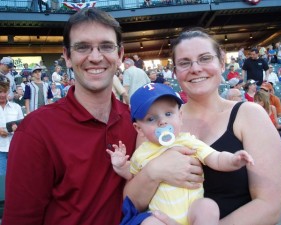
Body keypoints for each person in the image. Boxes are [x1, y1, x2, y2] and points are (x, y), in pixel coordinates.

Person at [124, 27, 281, 225]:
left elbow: (269, 207)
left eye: (205, 58)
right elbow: (132, 203)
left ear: (222, 62)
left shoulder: (250, 115)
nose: (196, 68)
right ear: (175, 73)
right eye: (184, 63)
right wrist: (154, 171)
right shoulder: (153, 125)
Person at [2, 8, 137, 225]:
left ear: (120, 55)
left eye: (106, 46)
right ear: (66, 56)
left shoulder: (136, 122)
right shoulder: (37, 130)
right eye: (83, 47)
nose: (95, 57)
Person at [108, 83, 254, 225]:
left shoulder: (188, 141)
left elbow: (214, 158)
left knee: (208, 207)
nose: (162, 122)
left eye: (168, 114)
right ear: (139, 129)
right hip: (161, 216)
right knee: (149, 221)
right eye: (151, 119)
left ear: (180, 116)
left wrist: (233, 160)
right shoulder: (142, 153)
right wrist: (121, 167)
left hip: (192, 211)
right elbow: (133, 175)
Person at [0, 75, 24, 175]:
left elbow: (23, 129)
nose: (2, 95)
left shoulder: (16, 107)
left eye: (5, 92)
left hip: (14, 150)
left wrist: (17, 129)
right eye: (0, 91)